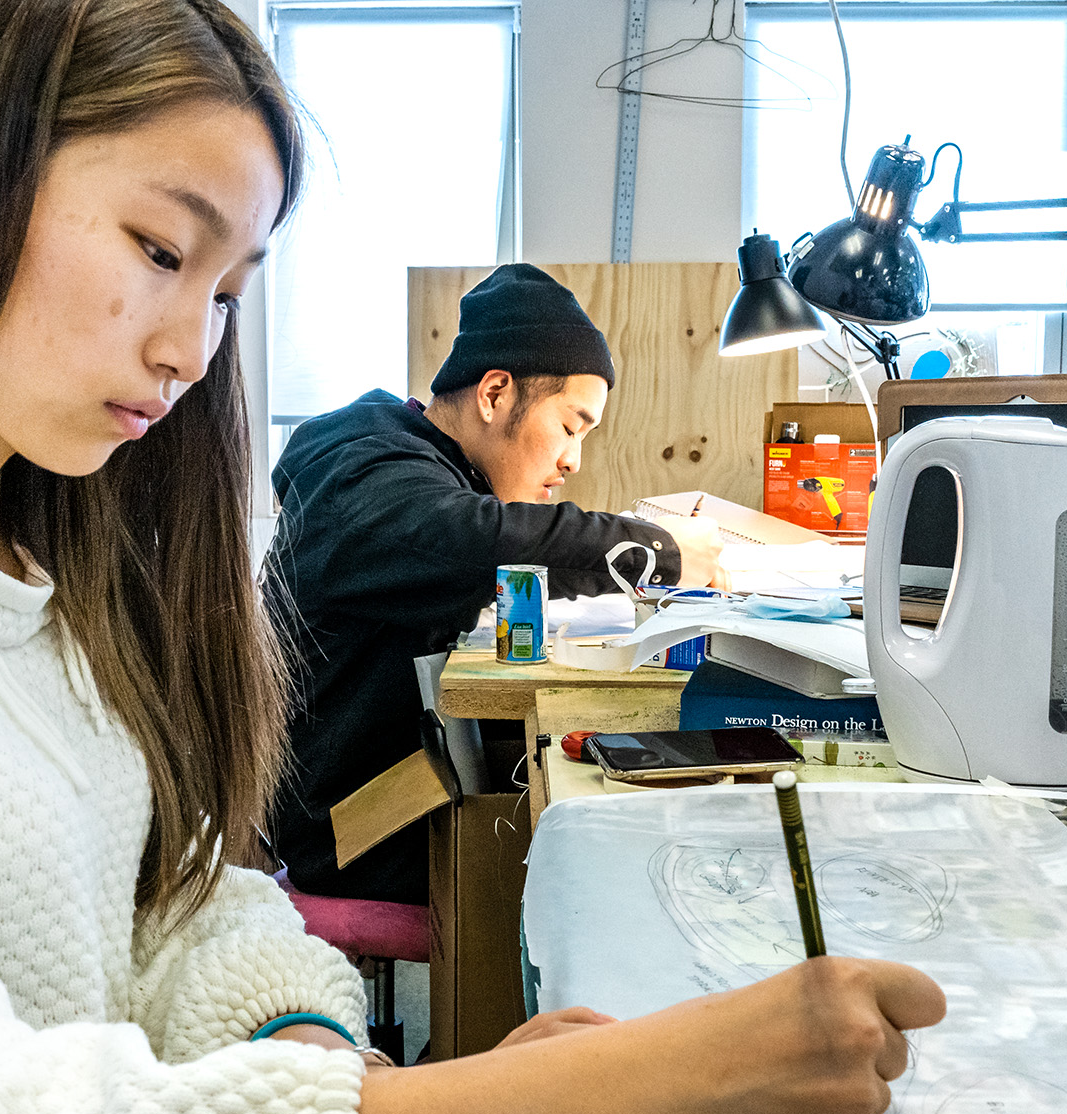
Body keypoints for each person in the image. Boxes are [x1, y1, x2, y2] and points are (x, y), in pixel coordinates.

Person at [0, 2, 945, 1114]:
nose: (191, 347)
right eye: (160, 251)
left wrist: (358, 1096)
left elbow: (186, 904)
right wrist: (594, 1101)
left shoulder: (35, 556)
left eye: (229, 289)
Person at [267, 265, 730, 903]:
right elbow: (483, 541)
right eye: (569, 427)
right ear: (494, 394)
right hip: (356, 833)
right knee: (631, 858)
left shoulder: (413, 463)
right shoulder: (367, 475)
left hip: (406, 781)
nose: (572, 460)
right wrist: (662, 552)